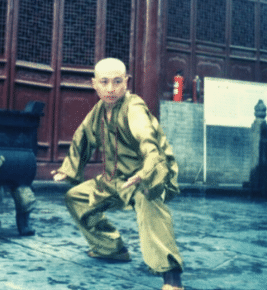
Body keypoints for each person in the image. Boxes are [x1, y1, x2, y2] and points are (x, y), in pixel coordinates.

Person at [51, 58, 184, 290]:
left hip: (142, 178)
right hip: (114, 181)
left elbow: (147, 139)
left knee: (149, 203)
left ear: (127, 82)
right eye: (104, 82)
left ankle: (171, 276)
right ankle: (112, 249)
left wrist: (147, 170)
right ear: (94, 84)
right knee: (76, 198)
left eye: (117, 81)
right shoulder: (99, 110)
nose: (111, 88)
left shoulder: (134, 108)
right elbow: (82, 137)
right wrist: (68, 168)